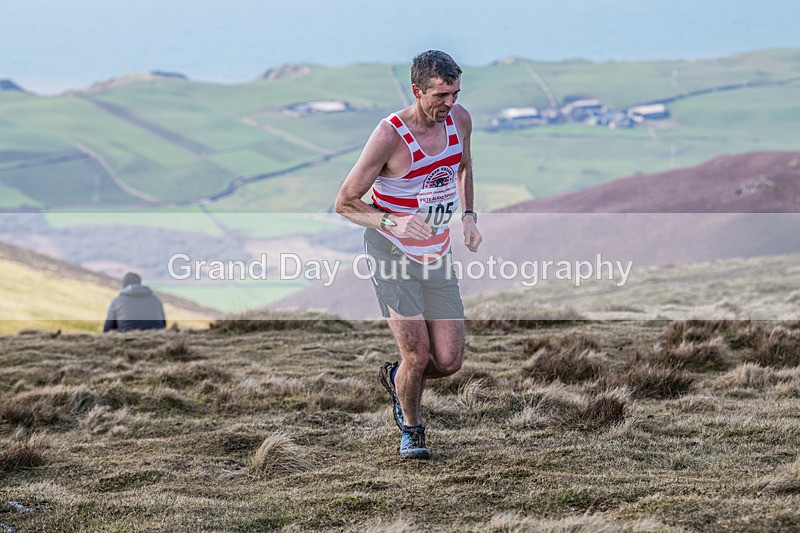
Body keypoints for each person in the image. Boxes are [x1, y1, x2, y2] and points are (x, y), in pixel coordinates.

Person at [335, 50, 482, 459]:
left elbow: (464, 167)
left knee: (449, 361)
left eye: (455, 93)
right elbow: (345, 202)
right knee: (417, 355)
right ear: (417, 91)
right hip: (391, 251)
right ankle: (412, 429)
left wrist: (468, 216)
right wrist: (392, 222)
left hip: (436, 252)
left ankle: (398, 378)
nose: (449, 103)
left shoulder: (460, 119)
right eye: (440, 95)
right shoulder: (390, 136)